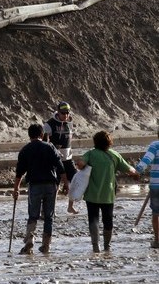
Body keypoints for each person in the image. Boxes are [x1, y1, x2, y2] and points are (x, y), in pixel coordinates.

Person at [77, 130, 139, 252]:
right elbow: (129, 170)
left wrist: (80, 164)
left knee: (93, 219)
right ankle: (107, 246)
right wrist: (136, 173)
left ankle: (95, 246)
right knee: (108, 220)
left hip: (92, 194)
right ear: (109, 142)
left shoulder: (91, 154)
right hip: (108, 195)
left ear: (95, 142)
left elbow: (80, 164)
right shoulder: (114, 155)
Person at [12, 124, 66, 255]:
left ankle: (29, 241)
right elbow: (60, 166)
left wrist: (16, 189)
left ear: (29, 135)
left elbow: (19, 172)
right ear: (42, 135)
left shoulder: (25, 149)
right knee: (49, 217)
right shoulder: (50, 147)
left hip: (35, 185)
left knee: (33, 215)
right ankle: (46, 245)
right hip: (50, 185)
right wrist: (66, 183)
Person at [43, 101, 78, 214]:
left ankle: (70, 206)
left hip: (68, 159)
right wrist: (54, 150)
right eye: (63, 113)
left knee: (76, 181)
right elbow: (45, 142)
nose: (65, 115)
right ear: (58, 112)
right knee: (55, 187)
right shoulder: (49, 124)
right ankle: (49, 210)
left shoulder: (70, 122)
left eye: (67, 113)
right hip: (55, 160)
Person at [133, 130, 159, 249]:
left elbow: (146, 161)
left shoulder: (155, 145)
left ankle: (157, 240)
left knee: (156, 213)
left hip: (156, 185)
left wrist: (136, 171)